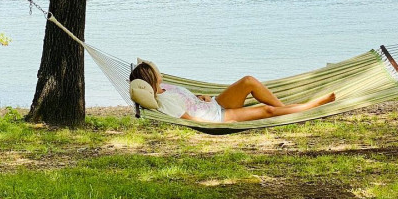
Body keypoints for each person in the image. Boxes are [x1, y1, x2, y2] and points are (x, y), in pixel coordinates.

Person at [129, 61, 335, 123]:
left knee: (248, 81)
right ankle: (308, 107)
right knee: (265, 111)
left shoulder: (168, 88)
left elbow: (187, 100)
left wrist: (200, 97)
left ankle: (288, 110)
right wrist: (216, 126)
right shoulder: (164, 101)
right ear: (151, 77)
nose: (159, 71)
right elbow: (189, 119)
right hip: (218, 116)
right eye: (155, 71)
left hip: (214, 104)